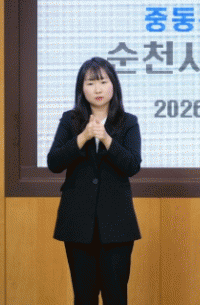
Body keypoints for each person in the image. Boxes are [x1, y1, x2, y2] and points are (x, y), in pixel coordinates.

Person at [47, 57, 142, 305]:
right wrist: (84, 136)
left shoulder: (128, 122)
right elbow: (54, 162)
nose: (97, 89)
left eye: (103, 82)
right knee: (84, 297)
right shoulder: (70, 120)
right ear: (82, 88)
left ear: (113, 85)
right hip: (78, 223)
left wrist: (107, 139)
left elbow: (132, 165)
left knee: (116, 297)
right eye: (90, 83)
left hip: (117, 226)